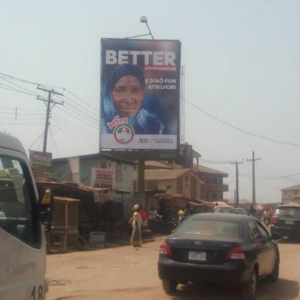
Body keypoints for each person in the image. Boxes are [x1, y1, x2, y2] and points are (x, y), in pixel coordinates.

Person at [102, 64, 164, 135]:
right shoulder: (102, 125)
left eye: (135, 90)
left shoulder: (154, 126)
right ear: (111, 93)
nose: (128, 100)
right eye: (120, 91)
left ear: (143, 93)